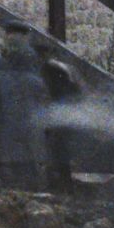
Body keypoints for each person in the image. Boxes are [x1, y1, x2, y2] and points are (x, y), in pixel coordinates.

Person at [0, 26, 52, 190]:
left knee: (7, 194)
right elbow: (47, 116)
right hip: (32, 152)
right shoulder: (37, 83)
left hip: (0, 151)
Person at [34, 36, 83, 193]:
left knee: (55, 153)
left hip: (57, 115)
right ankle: (63, 186)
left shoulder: (50, 70)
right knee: (61, 155)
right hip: (64, 115)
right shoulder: (64, 68)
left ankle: (57, 186)